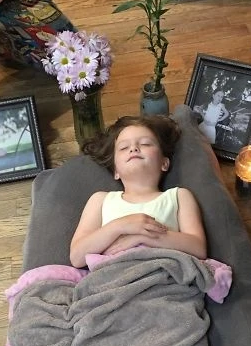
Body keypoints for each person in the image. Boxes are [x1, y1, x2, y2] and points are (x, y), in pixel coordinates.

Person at [70, 115, 207, 268]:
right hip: (114, 277)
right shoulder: (100, 200)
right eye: (123, 147)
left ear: (164, 162)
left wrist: (142, 237)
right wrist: (120, 226)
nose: (133, 148)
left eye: (145, 144)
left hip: (164, 274)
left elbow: (198, 248)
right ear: (116, 171)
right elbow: (77, 257)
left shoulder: (178, 196)